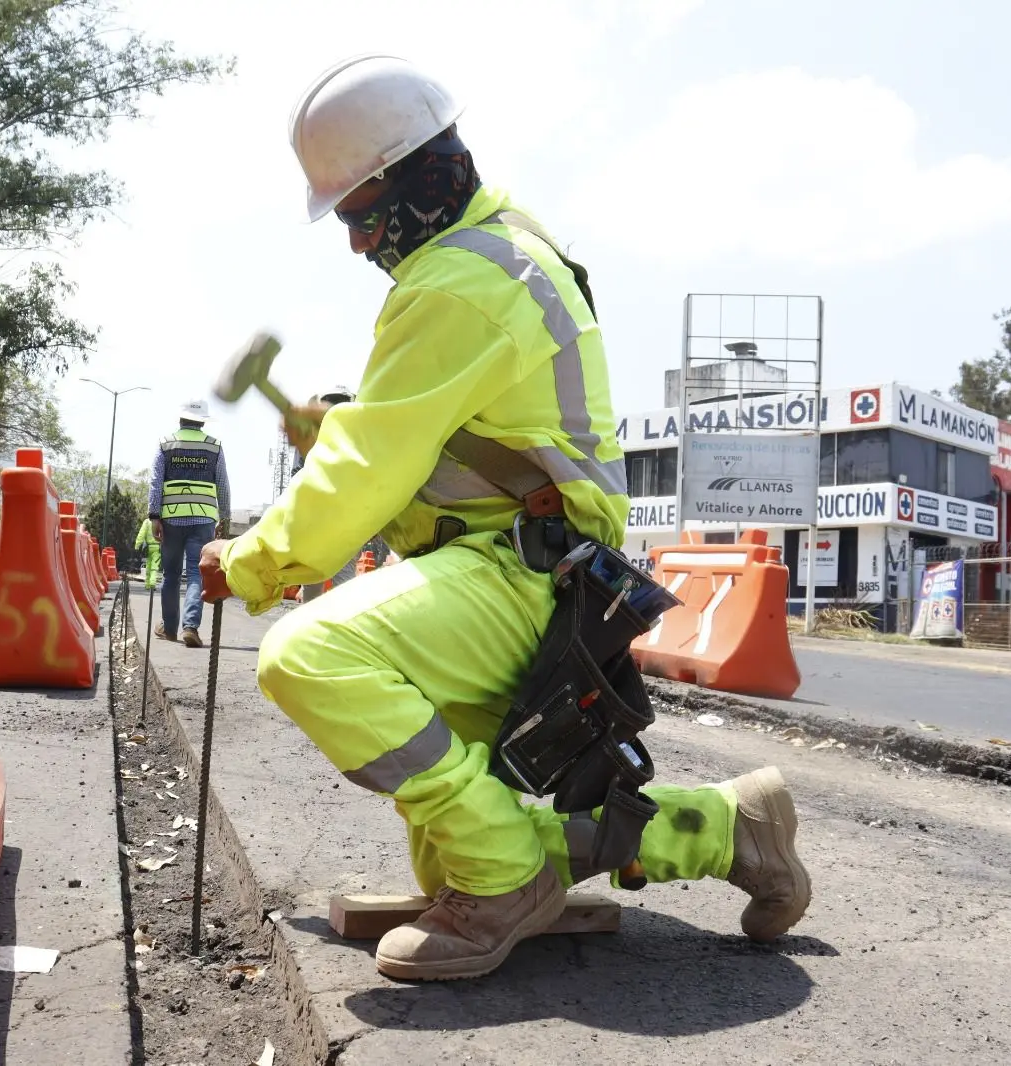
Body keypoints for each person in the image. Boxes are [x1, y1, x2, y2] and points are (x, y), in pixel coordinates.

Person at [199, 54, 809, 981]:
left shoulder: (459, 281)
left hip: (522, 572)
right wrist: (347, 421)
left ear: (415, 173)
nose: (361, 243)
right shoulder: (504, 250)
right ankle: (730, 827)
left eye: (363, 213)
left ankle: (501, 878)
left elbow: (370, 470)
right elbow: (444, 439)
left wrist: (249, 563)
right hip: (538, 563)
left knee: (311, 657)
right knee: (494, 799)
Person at [294, 386, 387, 601]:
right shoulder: (361, 437)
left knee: (313, 581)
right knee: (341, 583)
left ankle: (309, 628)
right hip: (347, 519)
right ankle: (333, 630)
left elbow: (296, 477)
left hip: (320, 518)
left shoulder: (311, 435)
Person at [149, 399, 229, 647]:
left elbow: (155, 482)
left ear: (180, 419)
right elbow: (222, 485)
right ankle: (190, 627)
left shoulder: (166, 444)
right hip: (203, 518)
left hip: (171, 518)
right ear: (203, 421)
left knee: (171, 574)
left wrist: (154, 516)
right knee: (196, 572)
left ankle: (170, 628)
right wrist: (224, 517)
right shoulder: (214, 447)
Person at [134, 516, 161, 590]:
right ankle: (152, 583)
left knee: (148, 565)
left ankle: (147, 584)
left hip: (148, 547)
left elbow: (141, 534)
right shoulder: (160, 521)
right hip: (157, 547)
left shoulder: (146, 522)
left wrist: (137, 545)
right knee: (155, 566)